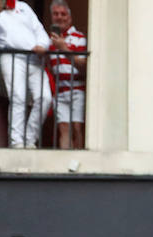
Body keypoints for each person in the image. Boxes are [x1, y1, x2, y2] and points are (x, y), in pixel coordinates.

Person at [0, 0, 49, 149]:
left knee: (45, 98)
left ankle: (29, 138)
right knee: (18, 97)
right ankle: (17, 141)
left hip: (34, 58)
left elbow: (39, 30)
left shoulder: (23, 7)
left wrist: (42, 45)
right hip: (11, 56)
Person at [46, 0, 85, 150]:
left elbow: (83, 64)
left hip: (77, 89)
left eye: (63, 14)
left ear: (69, 17)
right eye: (56, 14)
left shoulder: (79, 37)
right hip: (60, 91)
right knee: (63, 128)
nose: (59, 17)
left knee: (77, 128)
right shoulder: (49, 41)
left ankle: (78, 163)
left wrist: (64, 48)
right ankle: (65, 164)